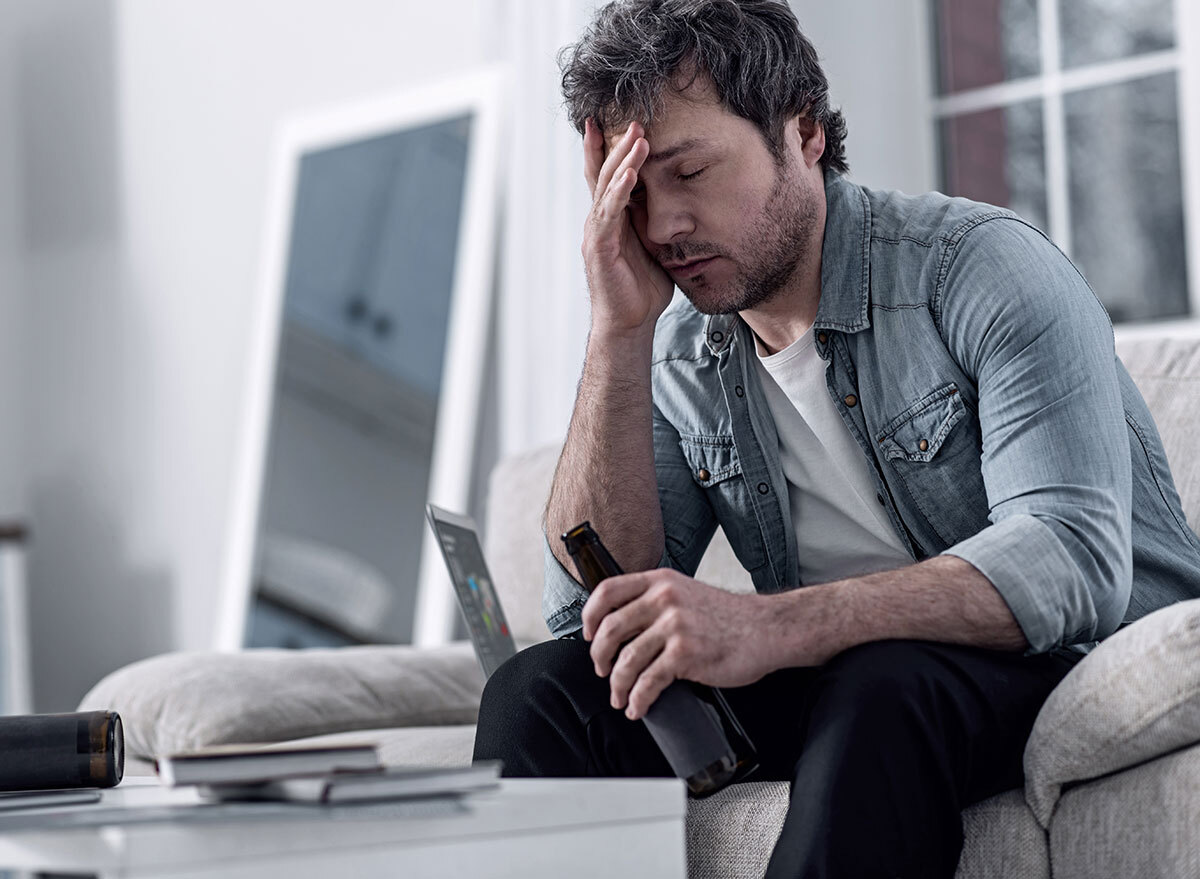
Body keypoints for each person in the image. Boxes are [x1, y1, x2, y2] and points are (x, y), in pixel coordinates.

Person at [472, 1, 1200, 876]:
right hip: (841, 673)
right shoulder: (677, 351)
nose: (662, 227)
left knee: (880, 685)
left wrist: (769, 627)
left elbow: (1071, 561)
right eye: (634, 193)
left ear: (805, 130)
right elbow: (586, 607)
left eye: (690, 170)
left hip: (1054, 661)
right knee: (541, 694)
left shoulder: (979, 268)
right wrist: (616, 332)